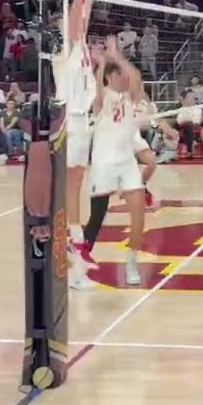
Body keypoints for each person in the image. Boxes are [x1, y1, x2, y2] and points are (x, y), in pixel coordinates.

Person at [81, 37, 148, 286]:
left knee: (139, 213)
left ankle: (131, 262)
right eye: (119, 76)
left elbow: (137, 78)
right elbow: (98, 87)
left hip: (126, 162)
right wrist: (101, 62)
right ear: (110, 78)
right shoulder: (102, 98)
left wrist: (115, 55)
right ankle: (81, 257)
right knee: (97, 215)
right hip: (103, 163)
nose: (124, 78)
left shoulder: (130, 97)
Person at [58, 0, 98, 271]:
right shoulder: (70, 47)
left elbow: (88, 7)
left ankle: (73, 236)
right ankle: (70, 238)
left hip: (84, 123)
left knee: (78, 181)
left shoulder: (83, 47)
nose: (82, 22)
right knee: (72, 183)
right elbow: (79, 10)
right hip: (72, 121)